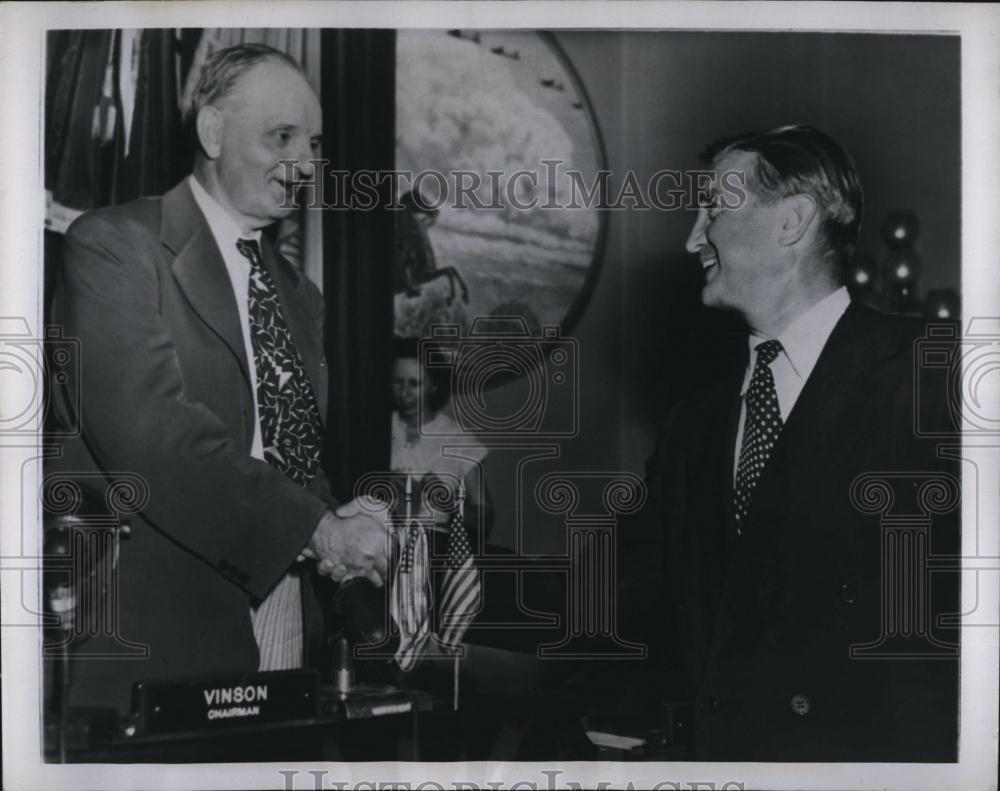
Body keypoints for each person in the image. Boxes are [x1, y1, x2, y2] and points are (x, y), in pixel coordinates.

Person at [47, 44, 389, 715]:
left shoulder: (301, 295)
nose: (304, 164)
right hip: (162, 630)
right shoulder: (114, 245)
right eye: (280, 137)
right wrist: (319, 530)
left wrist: (345, 517)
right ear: (212, 132)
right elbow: (152, 437)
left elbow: (288, 452)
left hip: (286, 611)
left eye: (313, 143)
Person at [647, 125, 959, 761]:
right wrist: (425, 552)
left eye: (712, 209)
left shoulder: (934, 374)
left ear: (792, 220)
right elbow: (619, 588)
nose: (691, 238)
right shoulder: (693, 427)